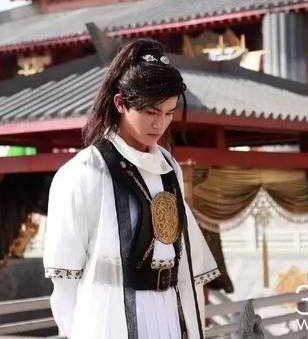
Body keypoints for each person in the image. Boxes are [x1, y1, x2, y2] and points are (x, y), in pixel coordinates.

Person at [43, 38, 220, 339]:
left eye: (169, 113)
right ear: (120, 103)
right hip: (110, 320)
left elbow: (185, 262)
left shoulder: (169, 168)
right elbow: (64, 280)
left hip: (170, 313)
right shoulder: (86, 171)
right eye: (151, 112)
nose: (160, 124)